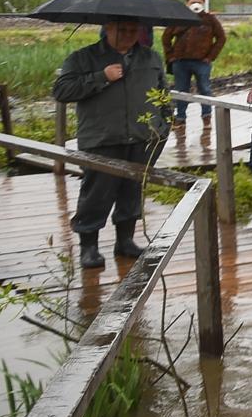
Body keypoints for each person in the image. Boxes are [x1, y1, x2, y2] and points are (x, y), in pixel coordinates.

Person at [51, 17, 169, 269]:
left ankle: (125, 241)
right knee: (96, 193)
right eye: (121, 30)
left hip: (142, 137)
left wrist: (163, 129)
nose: (127, 35)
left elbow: (163, 96)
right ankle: (88, 248)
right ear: (108, 29)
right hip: (101, 138)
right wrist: (101, 76)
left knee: (132, 191)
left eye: (132, 30)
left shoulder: (151, 58)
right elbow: (61, 91)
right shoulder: (83, 58)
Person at [162, 0, 226, 141]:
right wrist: (170, 56)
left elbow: (221, 38)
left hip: (201, 62)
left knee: (204, 89)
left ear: (203, 3)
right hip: (180, 62)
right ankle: (180, 119)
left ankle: (206, 117)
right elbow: (166, 37)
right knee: (181, 91)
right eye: (192, 2)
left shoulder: (210, 19)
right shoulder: (179, 19)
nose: (195, 4)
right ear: (187, 4)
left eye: (198, 2)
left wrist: (210, 56)